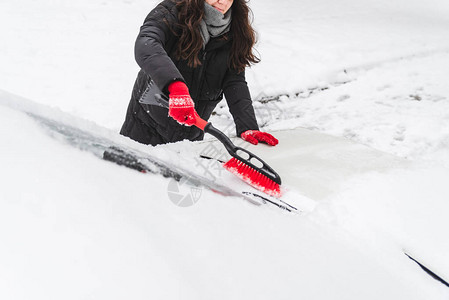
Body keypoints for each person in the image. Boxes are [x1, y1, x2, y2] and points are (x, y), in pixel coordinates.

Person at [120, 0, 278, 147]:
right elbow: (147, 43)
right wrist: (175, 86)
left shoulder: (235, 28)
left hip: (190, 137)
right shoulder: (172, 11)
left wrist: (247, 126)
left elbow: (234, 81)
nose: (222, 2)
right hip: (145, 128)